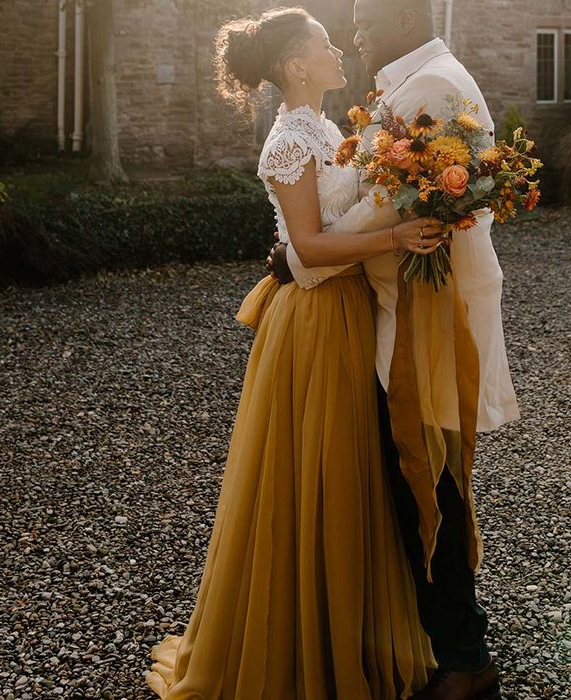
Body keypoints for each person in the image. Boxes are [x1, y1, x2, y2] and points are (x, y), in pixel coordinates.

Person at [145, 7, 446, 699]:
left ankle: (341, 622)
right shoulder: (287, 139)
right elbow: (308, 245)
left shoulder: (325, 127)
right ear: (294, 66)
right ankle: (300, 641)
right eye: (323, 43)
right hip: (313, 319)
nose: (337, 48)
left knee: (347, 467)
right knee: (312, 467)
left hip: (344, 310)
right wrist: (395, 239)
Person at [269, 1, 520, 698]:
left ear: (405, 18)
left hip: (428, 318)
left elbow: (386, 204)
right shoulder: (414, 83)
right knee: (422, 479)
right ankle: (454, 639)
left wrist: (302, 258)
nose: (354, 33)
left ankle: (465, 661)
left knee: (427, 485)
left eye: (363, 20)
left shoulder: (432, 85)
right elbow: (387, 191)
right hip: (400, 311)